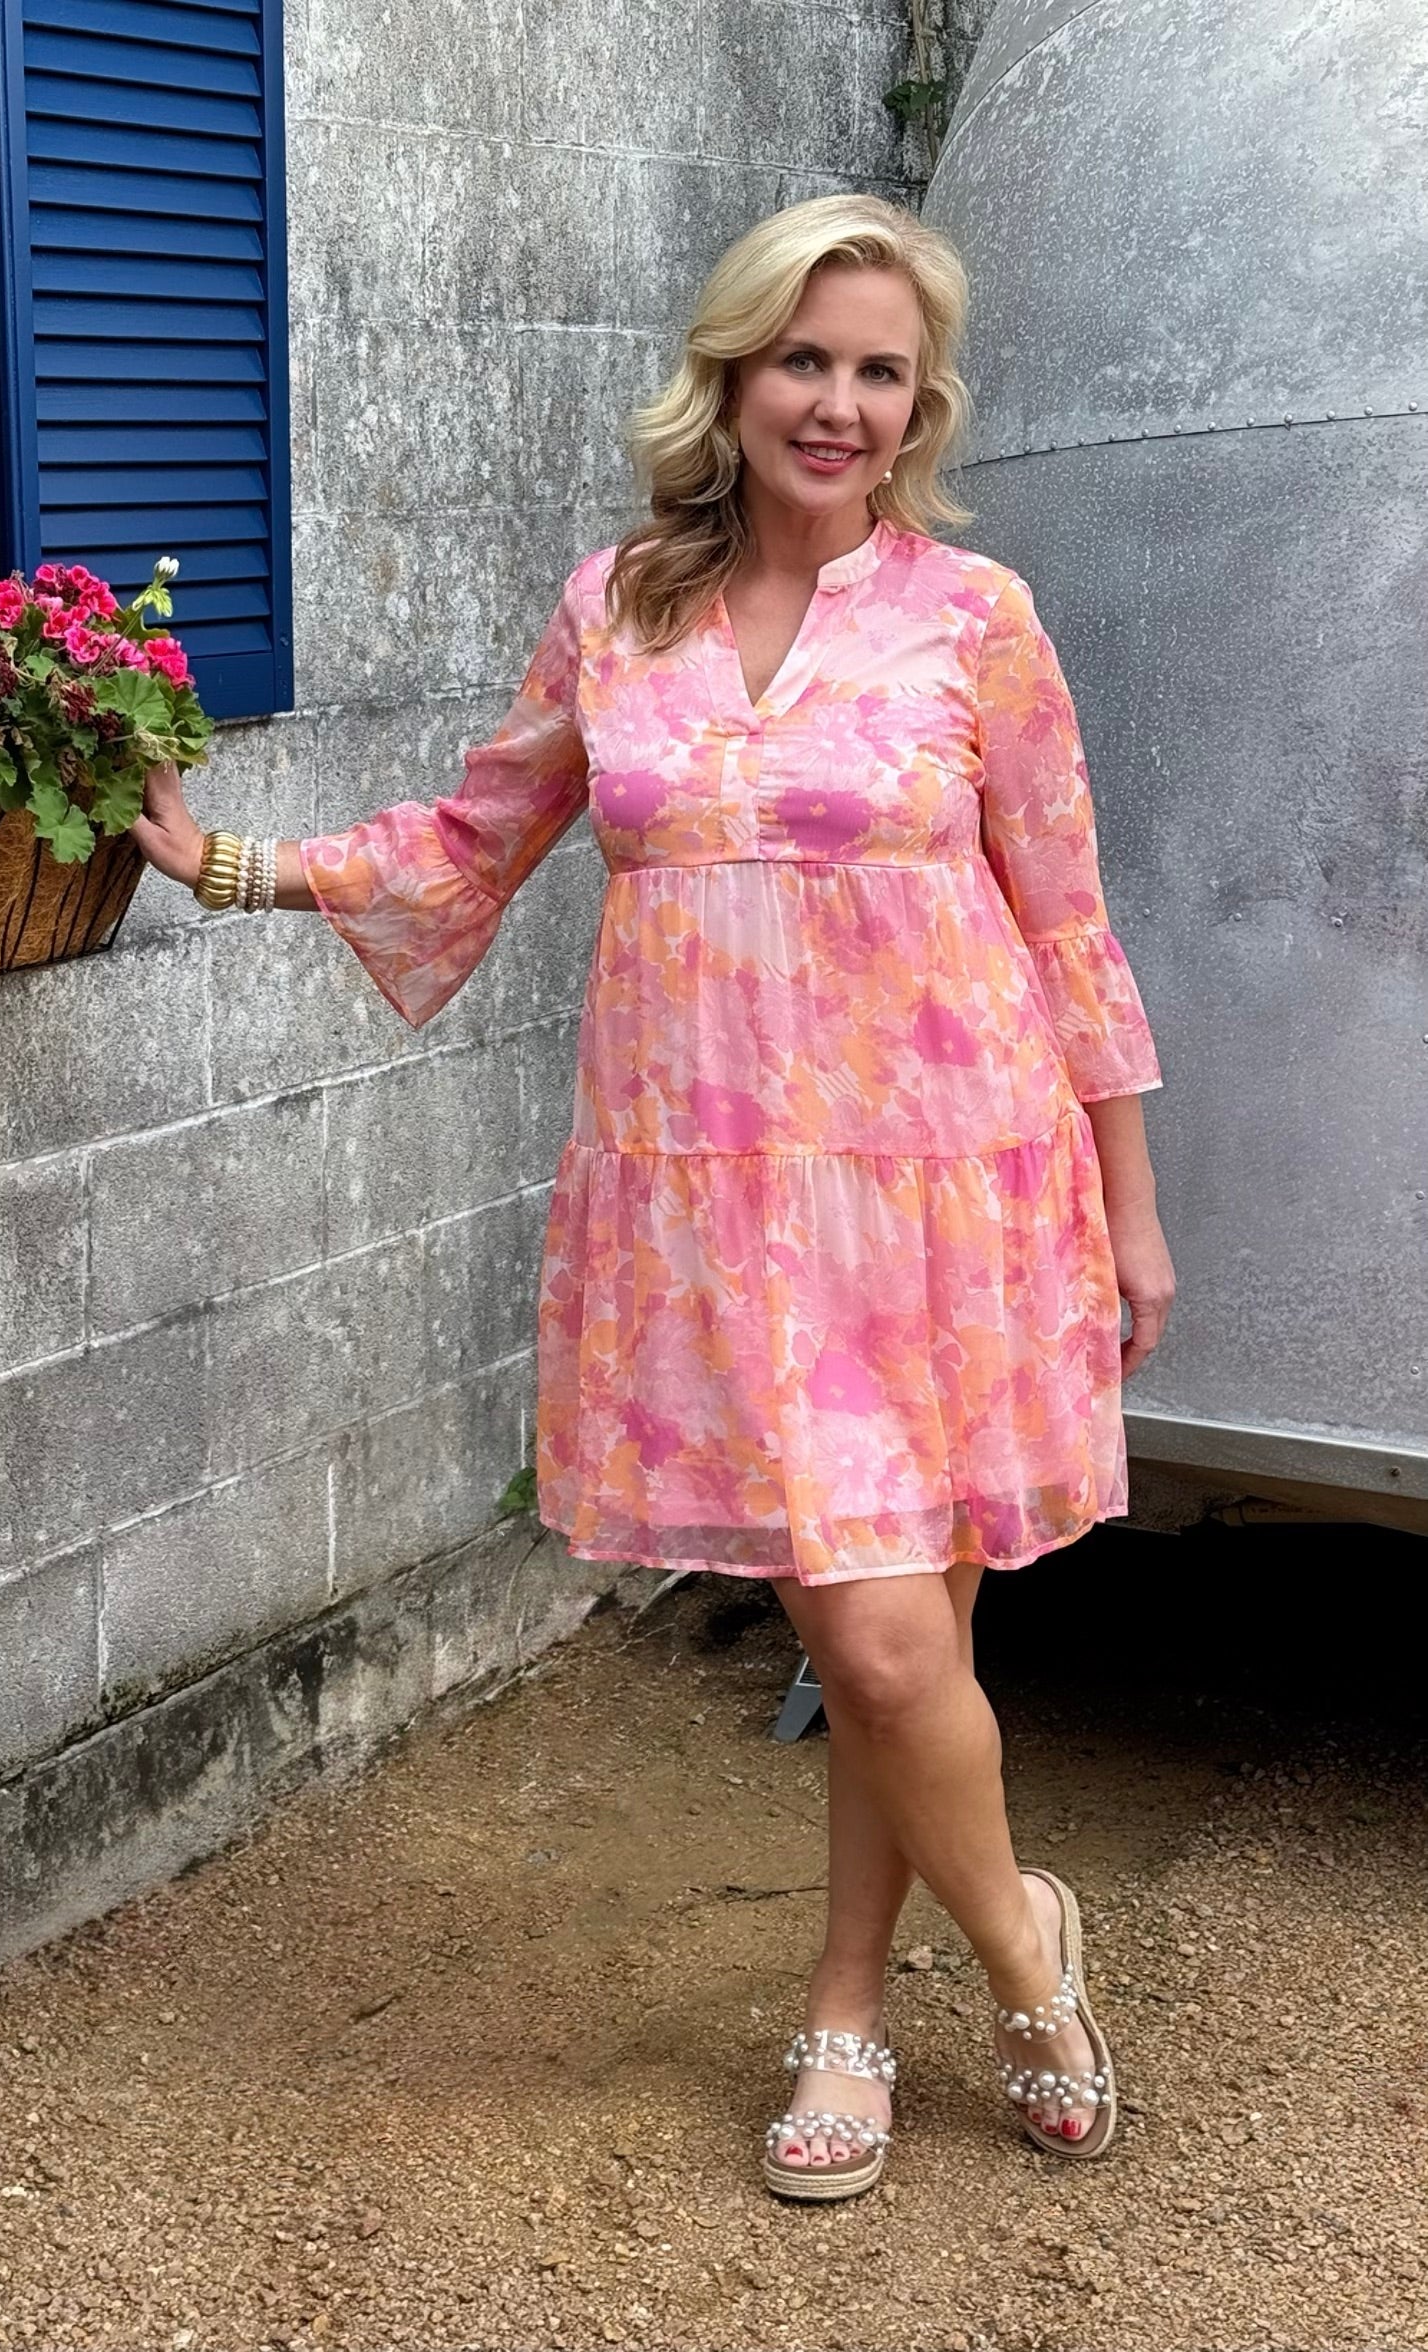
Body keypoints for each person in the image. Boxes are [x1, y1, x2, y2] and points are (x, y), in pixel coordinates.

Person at [131, 192, 1174, 2204]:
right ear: (733, 373)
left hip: (955, 1194)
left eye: (880, 372)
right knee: (884, 1649)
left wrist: (1130, 1204)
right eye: (805, 358)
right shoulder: (616, 609)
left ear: (920, 405)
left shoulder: (977, 616)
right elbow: (475, 835)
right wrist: (233, 866)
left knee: (893, 1654)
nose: (839, 403)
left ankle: (855, 2010)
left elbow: (1068, 923)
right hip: (726, 1220)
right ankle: (1028, 1949)